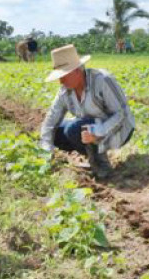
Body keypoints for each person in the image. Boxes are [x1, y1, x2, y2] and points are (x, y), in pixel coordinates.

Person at [39, 44, 135, 180]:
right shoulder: (65, 91)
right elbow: (50, 121)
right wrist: (46, 151)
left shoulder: (102, 80)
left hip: (120, 129)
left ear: (77, 71)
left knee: (74, 129)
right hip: (89, 128)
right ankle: (92, 152)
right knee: (57, 132)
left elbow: (121, 114)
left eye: (64, 76)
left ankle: (102, 166)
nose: (61, 81)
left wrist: (99, 131)